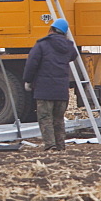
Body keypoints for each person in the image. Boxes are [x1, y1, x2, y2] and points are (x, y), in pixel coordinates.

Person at [22, 18, 77, 150]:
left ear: (51, 29)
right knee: (58, 119)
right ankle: (60, 145)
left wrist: (28, 80)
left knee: (45, 118)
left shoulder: (42, 45)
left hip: (44, 89)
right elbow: (73, 55)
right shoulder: (68, 46)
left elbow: (31, 64)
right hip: (61, 91)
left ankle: (50, 145)